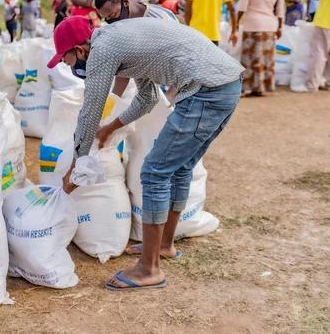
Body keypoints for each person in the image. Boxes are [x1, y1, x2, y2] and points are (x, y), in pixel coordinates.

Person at [47, 16, 243, 290]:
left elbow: (90, 110)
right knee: (180, 168)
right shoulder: (121, 40)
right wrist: (111, 128)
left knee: (153, 173)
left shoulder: (102, 50)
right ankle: (164, 246)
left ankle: (150, 269)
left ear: (80, 50)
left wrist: (76, 163)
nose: (68, 66)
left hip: (206, 90)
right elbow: (147, 97)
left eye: (66, 59)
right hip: (225, 84)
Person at [94, 0, 179, 98]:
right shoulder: (124, 28)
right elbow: (124, 74)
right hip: (159, 86)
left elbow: (180, 62)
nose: (111, 22)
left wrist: (170, 98)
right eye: (107, 19)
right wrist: (112, 102)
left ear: (124, 2)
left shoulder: (161, 20)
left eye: (113, 15)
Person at [237, 0, 285, 97]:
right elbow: (280, 10)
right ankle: (263, 86)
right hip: (270, 25)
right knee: (265, 58)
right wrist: (280, 27)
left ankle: (249, 87)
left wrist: (236, 23)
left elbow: (243, 5)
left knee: (251, 57)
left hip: (253, 24)